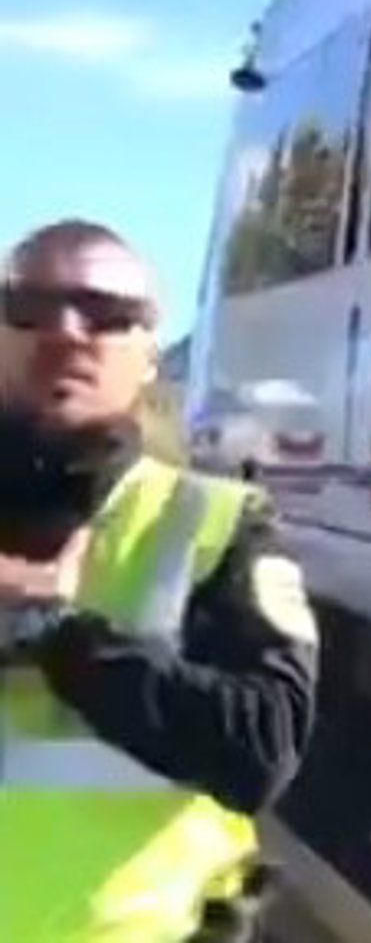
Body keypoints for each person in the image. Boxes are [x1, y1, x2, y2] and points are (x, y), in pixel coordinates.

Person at [0, 220, 318, 942]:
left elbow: (261, 750)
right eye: (28, 306)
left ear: (150, 354)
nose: (67, 332)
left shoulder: (213, 521)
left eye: (107, 313)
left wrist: (51, 631)